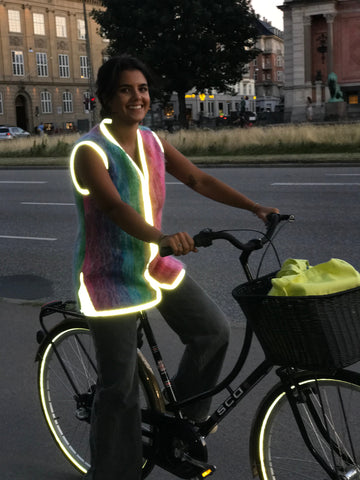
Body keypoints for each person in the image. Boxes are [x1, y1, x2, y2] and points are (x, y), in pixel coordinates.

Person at [69, 54, 279, 480]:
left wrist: (255, 208)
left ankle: (176, 428)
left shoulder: (152, 141)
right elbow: (112, 205)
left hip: (153, 264)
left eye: (142, 88)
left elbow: (198, 179)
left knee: (212, 331)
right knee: (121, 391)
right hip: (109, 277)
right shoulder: (88, 150)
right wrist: (161, 238)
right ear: (106, 98)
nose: (137, 96)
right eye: (126, 89)